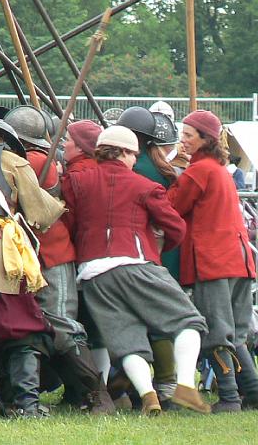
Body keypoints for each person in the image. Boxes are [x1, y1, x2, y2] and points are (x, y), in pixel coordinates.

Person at [63, 125, 210, 415]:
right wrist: (155, 249)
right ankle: (185, 387)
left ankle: (149, 397)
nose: (135, 160)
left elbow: (71, 223)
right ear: (126, 152)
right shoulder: (145, 186)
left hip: (93, 273)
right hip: (135, 262)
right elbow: (176, 227)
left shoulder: (76, 182)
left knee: (126, 341)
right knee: (189, 321)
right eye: (134, 154)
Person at [5, 111, 114, 413]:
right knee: (34, 327)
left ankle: (96, 394)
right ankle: (76, 394)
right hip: (31, 256)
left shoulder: (35, 162)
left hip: (51, 254)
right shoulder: (28, 160)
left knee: (64, 326)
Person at [0, 118, 62, 418]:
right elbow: (41, 215)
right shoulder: (12, 161)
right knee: (23, 328)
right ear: (5, 141)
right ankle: (27, 404)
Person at [167, 110, 258, 412]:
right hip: (238, 259)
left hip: (214, 260)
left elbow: (173, 206)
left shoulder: (199, 171)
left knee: (220, 333)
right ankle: (253, 392)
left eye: (189, 135)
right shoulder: (218, 169)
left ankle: (230, 397)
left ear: (205, 139)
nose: (183, 139)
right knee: (238, 333)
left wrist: (171, 173)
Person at [117, 107, 181, 405]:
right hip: (162, 250)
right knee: (159, 317)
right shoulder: (162, 167)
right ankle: (164, 383)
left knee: (136, 318)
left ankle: (134, 385)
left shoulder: (133, 168)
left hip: (136, 249)